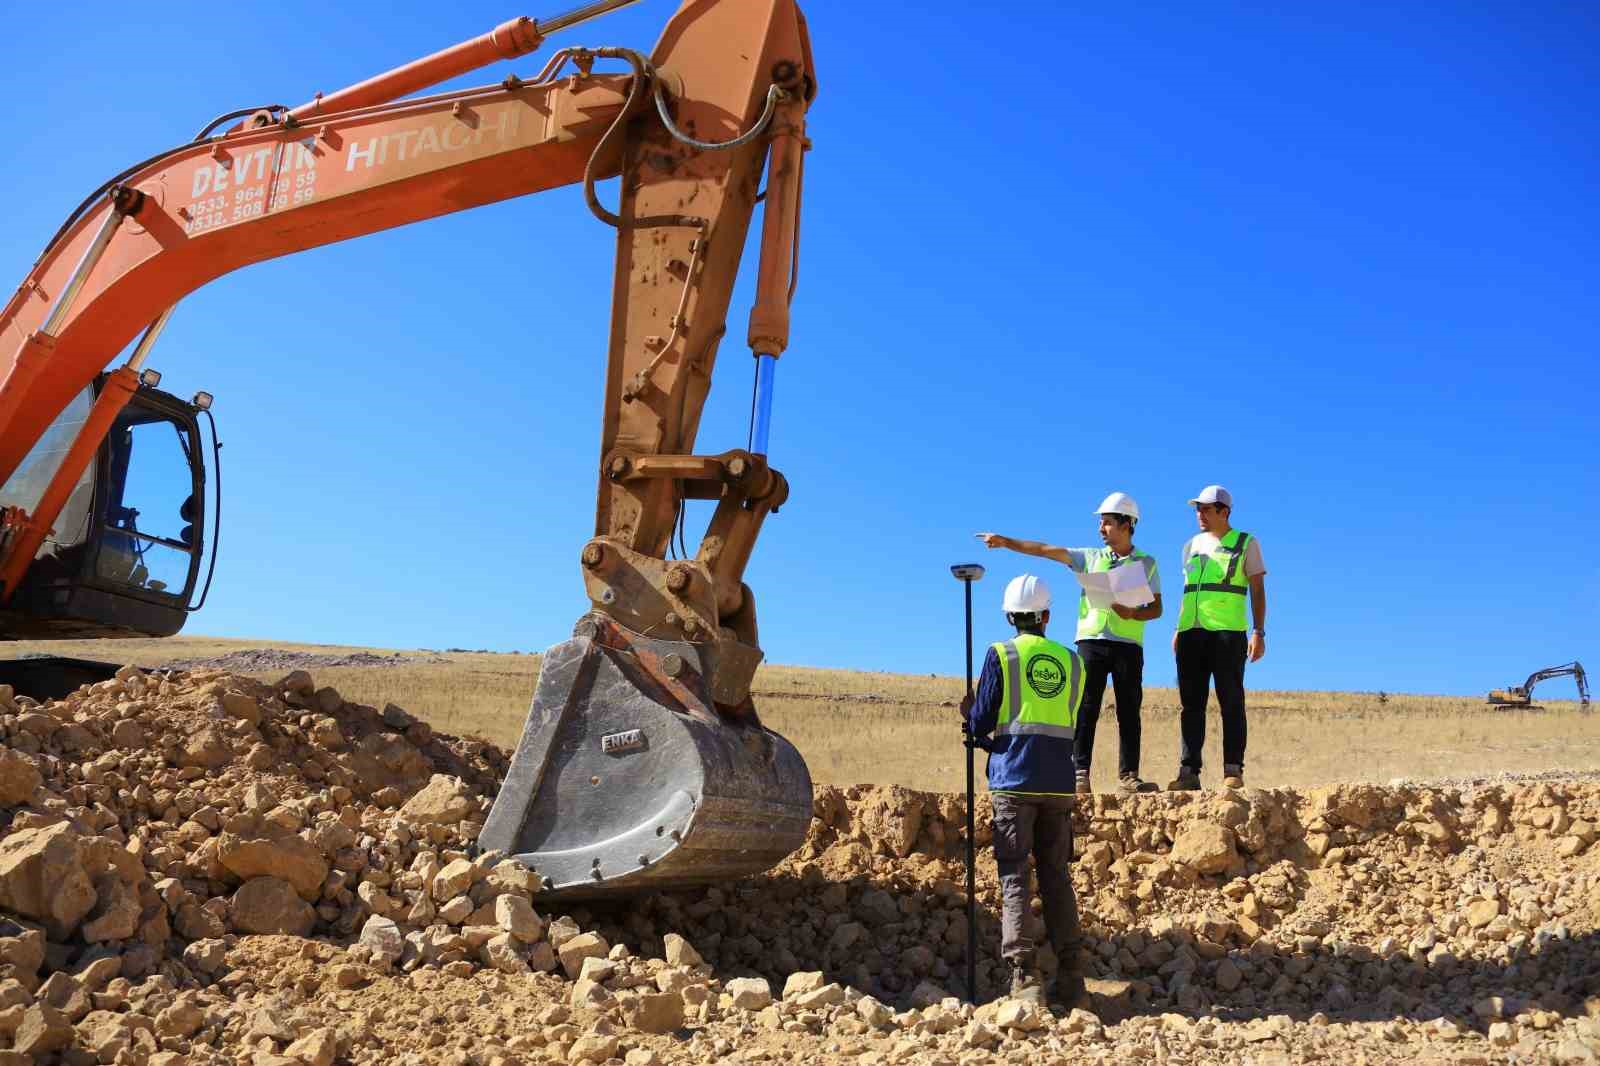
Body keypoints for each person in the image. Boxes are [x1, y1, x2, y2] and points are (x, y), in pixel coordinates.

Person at [975, 491, 1162, 794]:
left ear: (1127, 523)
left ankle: (1129, 776)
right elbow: (1045, 550)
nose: (1101, 528)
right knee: (1086, 708)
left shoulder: (1147, 563)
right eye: (1101, 523)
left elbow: (1156, 609)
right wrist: (1006, 542)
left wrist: (1132, 613)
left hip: (1128, 644)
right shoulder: (1089, 557)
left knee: (1129, 710)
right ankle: (1080, 772)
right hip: (1091, 641)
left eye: (1107, 522)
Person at [960, 574, 1087, 1005]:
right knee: (1056, 876)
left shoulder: (1003, 654)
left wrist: (972, 720)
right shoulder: (1072, 662)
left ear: (1010, 617)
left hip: (1014, 780)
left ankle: (1025, 977)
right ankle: (1072, 977)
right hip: (1059, 782)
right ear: (1046, 616)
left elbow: (981, 721)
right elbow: (1068, 719)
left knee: (1015, 875)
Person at [1170, 485, 1267, 791]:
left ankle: (1233, 769)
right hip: (1191, 633)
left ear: (1224, 512)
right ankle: (1188, 772)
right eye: (1197, 509)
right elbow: (1189, 591)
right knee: (1191, 705)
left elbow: (1257, 589)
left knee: (1231, 702)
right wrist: (1178, 629)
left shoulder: (1246, 543)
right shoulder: (1190, 546)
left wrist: (1258, 631)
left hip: (1228, 633)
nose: (1199, 514)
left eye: (1206, 509)